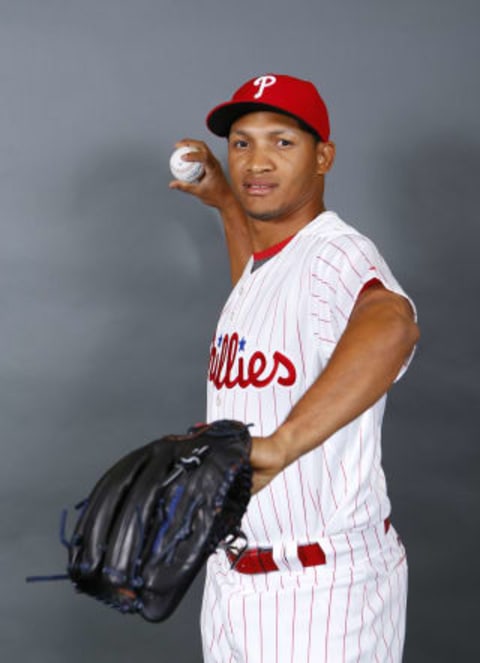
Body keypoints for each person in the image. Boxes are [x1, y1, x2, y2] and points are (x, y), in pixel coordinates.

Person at [170, 73, 419, 663]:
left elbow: (393, 323)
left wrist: (280, 446)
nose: (258, 160)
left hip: (324, 592)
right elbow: (258, 294)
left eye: (283, 142)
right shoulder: (275, 265)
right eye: (242, 143)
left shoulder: (337, 251)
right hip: (234, 579)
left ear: (323, 156)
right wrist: (227, 203)